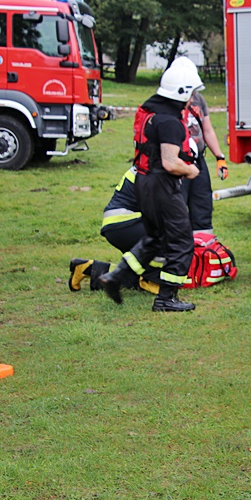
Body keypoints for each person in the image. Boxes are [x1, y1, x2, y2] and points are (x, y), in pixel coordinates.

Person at [98, 59, 205, 311]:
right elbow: (170, 162)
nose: (192, 99)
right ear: (182, 93)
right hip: (161, 185)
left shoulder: (152, 114)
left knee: (155, 238)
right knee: (181, 241)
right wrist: (191, 170)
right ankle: (166, 298)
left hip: (144, 182)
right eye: (191, 93)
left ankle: (116, 277)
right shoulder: (170, 122)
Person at [68, 166, 146, 292]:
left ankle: (90, 268)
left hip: (120, 225)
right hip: (128, 225)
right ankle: (151, 280)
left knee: (139, 273)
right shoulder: (164, 167)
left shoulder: (150, 162)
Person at [181, 66, 229, 235]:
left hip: (198, 160)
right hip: (178, 162)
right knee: (178, 205)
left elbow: (207, 130)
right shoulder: (169, 101)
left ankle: (204, 244)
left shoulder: (198, 99)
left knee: (202, 203)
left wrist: (220, 157)